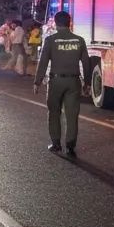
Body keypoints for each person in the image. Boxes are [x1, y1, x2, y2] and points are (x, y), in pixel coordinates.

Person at [34, 11, 91, 155]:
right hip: (74, 82)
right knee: (72, 115)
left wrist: (37, 81)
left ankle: (56, 144)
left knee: (54, 113)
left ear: (56, 23)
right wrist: (88, 83)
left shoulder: (51, 40)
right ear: (69, 23)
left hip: (56, 82)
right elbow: (86, 63)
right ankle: (71, 146)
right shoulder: (79, 40)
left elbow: (43, 62)